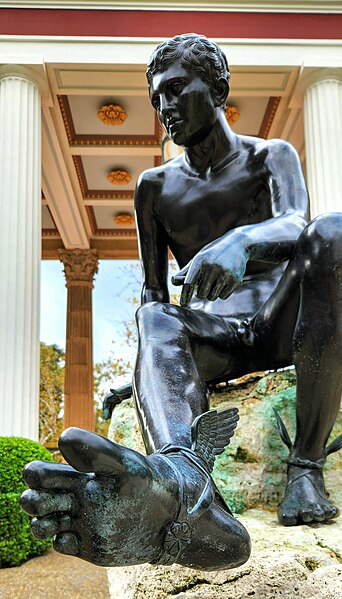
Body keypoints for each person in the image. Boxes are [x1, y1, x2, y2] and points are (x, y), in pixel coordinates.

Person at [21, 34, 342, 570]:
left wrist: (241, 241)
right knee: (153, 315)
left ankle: (305, 466)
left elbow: (298, 224)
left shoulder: (270, 156)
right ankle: (186, 491)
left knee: (334, 233)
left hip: (281, 324)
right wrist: (147, 372)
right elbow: (153, 296)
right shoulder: (154, 187)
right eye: (156, 98)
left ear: (217, 87)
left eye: (174, 90)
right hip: (217, 341)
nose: (163, 108)